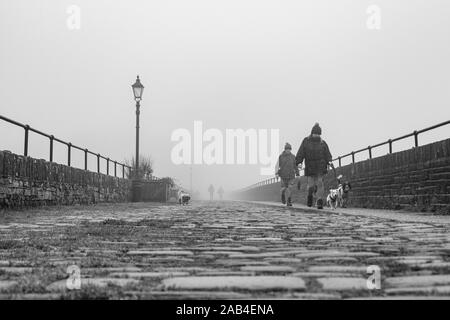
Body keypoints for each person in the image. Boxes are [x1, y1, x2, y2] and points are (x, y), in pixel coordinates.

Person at [295, 123, 332, 209]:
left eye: (319, 134)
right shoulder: (306, 141)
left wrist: (329, 161)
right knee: (311, 186)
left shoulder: (323, 143)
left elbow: (327, 154)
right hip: (310, 166)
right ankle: (310, 195)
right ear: (312, 133)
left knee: (320, 183)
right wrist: (299, 162)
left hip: (320, 166)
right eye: (316, 133)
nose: (317, 135)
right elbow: (301, 152)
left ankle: (319, 201)